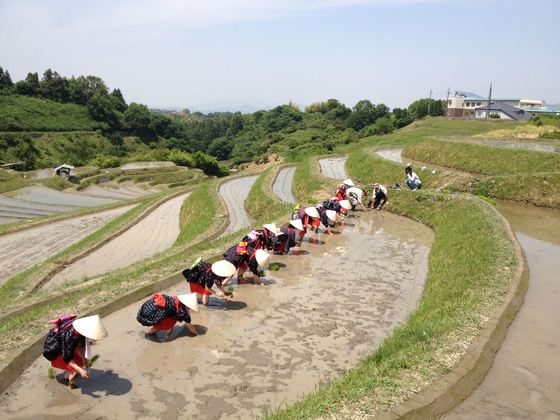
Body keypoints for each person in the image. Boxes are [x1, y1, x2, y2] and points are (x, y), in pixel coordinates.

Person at [43, 314, 108, 388]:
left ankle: (70, 377)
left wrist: (84, 360)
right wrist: (80, 370)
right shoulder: (70, 335)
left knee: (79, 362)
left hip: (67, 346)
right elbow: (67, 358)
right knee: (74, 367)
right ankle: (65, 380)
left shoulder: (82, 331)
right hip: (55, 349)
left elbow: (81, 346)